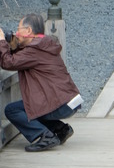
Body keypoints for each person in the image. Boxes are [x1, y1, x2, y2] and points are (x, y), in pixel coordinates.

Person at [0, 14, 83, 151]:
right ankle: (61, 129)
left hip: (60, 103)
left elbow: (8, 62)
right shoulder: (43, 44)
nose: (16, 32)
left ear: (28, 31)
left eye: (19, 29)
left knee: (13, 110)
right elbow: (23, 56)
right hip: (68, 101)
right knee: (32, 106)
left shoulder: (34, 50)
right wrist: (14, 45)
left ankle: (45, 136)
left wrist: (2, 42)